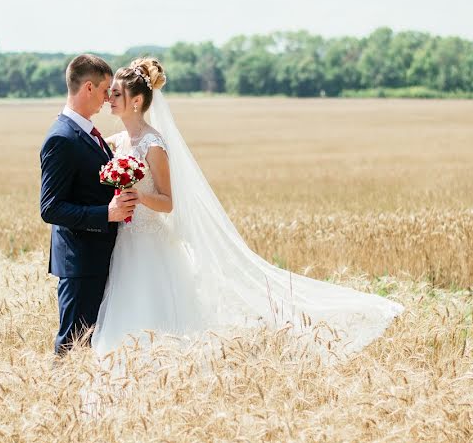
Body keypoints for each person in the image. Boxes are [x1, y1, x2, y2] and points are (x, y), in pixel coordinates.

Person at [91, 57, 404, 358]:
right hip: (126, 240)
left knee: (154, 313)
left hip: (151, 244)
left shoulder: (153, 145)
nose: (109, 99)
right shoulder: (118, 141)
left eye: (116, 93)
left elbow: (169, 202)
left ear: (136, 101)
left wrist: (138, 195)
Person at [39, 54, 138, 355]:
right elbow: (51, 208)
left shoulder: (89, 134)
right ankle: (57, 400)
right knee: (72, 345)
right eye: (106, 89)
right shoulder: (62, 139)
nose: (108, 98)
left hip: (98, 257)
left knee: (91, 345)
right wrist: (106, 214)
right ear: (89, 88)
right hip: (80, 261)